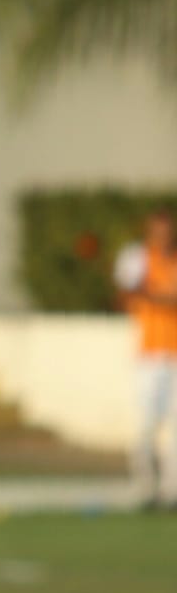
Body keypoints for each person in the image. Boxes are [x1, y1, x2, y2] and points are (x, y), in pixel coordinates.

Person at [114, 208, 177, 509]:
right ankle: (144, 487)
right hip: (149, 354)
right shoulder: (138, 258)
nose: (164, 236)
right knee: (149, 421)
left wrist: (154, 296)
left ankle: (171, 489)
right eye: (158, 230)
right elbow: (126, 296)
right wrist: (158, 297)